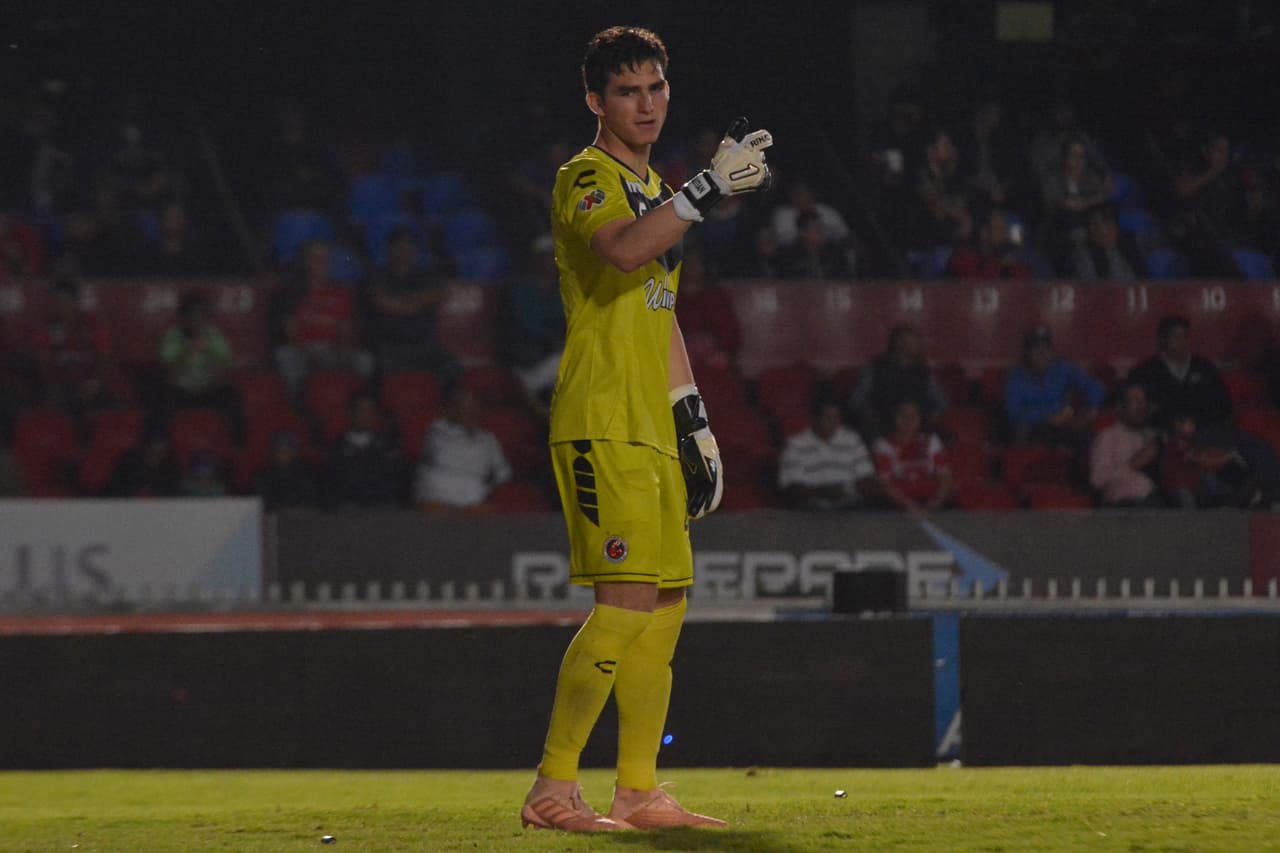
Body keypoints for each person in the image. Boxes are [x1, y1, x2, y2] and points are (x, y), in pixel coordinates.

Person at [521, 26, 772, 833]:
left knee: (663, 609)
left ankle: (639, 790)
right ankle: (553, 789)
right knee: (625, 605)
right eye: (628, 91)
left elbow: (660, 312)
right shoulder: (585, 177)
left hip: (652, 425)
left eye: (656, 88)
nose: (646, 104)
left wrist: (692, 416)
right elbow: (627, 255)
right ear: (596, 101)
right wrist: (702, 191)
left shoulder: (655, 186)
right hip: (600, 419)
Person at [365, 225, 459, 385]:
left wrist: (399, 302)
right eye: (400, 245)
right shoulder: (378, 274)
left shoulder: (427, 275)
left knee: (451, 366)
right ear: (390, 249)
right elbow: (383, 303)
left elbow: (436, 295)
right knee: (377, 370)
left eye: (409, 245)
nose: (405, 250)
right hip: (390, 347)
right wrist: (416, 301)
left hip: (424, 345)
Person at [158, 291, 246, 444]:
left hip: (208, 390)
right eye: (193, 316)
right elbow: (170, 377)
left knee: (232, 396)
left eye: (201, 317)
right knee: (163, 400)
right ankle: (163, 446)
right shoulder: (172, 337)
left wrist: (208, 352)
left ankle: (238, 446)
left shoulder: (214, 336)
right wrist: (189, 351)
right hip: (182, 393)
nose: (197, 321)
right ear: (184, 318)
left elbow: (225, 372)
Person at [1126, 314, 1233, 431]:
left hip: (1204, 434)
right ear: (1163, 340)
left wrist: (1198, 424)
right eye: (1177, 337)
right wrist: (1172, 424)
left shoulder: (1204, 368)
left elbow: (1223, 405)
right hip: (1159, 436)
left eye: (1186, 337)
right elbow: (1137, 412)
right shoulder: (1145, 372)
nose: (1183, 342)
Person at [1004, 326, 1105, 449]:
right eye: (1036, 348)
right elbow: (1013, 412)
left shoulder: (1063, 367)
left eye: (1046, 348)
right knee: (1023, 431)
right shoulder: (1016, 376)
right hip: (1034, 425)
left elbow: (1094, 386)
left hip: (1064, 421)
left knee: (1088, 433)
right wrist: (1047, 417)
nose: (1042, 353)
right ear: (1027, 352)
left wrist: (1092, 408)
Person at [500, 234, 566, 419]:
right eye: (546, 257)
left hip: (554, 357)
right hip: (527, 360)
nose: (551, 262)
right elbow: (524, 324)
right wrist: (552, 340)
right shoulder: (520, 288)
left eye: (554, 256)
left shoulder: (560, 289)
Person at [414, 386, 512, 510]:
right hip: (437, 500)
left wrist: (486, 486)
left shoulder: (488, 439)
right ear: (451, 410)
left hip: (474, 502)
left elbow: (503, 473)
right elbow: (445, 459)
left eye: (473, 408)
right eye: (463, 408)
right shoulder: (436, 431)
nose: (470, 413)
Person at [847, 323, 947, 442]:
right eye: (915, 341)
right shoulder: (875, 367)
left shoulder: (923, 371)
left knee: (946, 438)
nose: (919, 345)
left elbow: (941, 402)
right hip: (883, 424)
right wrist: (868, 413)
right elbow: (856, 400)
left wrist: (935, 413)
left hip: (917, 425)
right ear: (900, 343)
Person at [778, 395, 877, 511]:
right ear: (814, 418)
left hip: (849, 508)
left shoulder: (852, 440)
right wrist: (824, 492)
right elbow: (792, 488)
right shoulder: (796, 445)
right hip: (811, 512)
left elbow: (867, 479)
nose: (834, 422)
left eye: (837, 418)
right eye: (828, 418)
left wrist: (848, 489)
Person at [873, 399, 953, 514]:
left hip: (929, 500)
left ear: (920, 419)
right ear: (895, 418)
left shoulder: (931, 441)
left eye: (913, 416)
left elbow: (945, 475)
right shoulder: (883, 444)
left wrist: (937, 501)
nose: (908, 420)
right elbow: (884, 482)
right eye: (903, 415)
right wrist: (906, 503)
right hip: (897, 504)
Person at [1088, 382, 1162, 507]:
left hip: (1158, 501)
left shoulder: (1154, 436)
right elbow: (1097, 479)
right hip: (1124, 507)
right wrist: (1133, 464)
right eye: (1135, 401)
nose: (1142, 406)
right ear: (1120, 407)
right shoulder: (1108, 437)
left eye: (1144, 401)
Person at [325, 392, 403, 507]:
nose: (366, 416)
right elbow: (334, 484)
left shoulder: (388, 447)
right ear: (350, 413)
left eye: (371, 412)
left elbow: (391, 483)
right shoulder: (336, 447)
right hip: (345, 511)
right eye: (361, 411)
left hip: (381, 510)